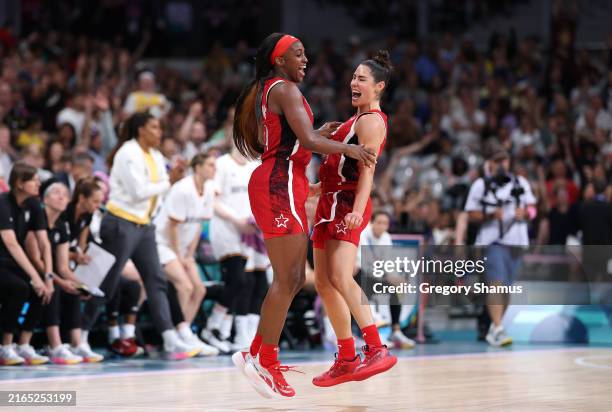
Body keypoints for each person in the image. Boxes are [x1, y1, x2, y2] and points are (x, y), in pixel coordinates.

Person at [231, 33, 376, 398]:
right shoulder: (284, 89)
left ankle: (254, 354)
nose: (305, 59)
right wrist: (350, 150)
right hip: (279, 181)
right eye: (298, 54)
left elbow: (300, 139)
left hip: (285, 180)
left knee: (292, 279)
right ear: (279, 60)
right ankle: (265, 361)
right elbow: (308, 144)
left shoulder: (273, 88)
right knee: (289, 278)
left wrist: (316, 135)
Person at [80, 112, 200, 360]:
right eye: (154, 127)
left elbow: (161, 189)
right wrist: (170, 180)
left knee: (156, 281)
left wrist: (175, 176)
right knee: (107, 283)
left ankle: (170, 339)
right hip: (120, 224)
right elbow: (138, 192)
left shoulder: (156, 156)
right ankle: (79, 336)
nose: (159, 132)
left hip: (144, 227)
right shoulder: (127, 153)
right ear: (140, 130)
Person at [310, 51, 398, 387]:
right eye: (353, 77)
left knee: (340, 275)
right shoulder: (353, 119)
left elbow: (367, 173)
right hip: (330, 201)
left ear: (379, 88)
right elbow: (339, 167)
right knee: (323, 281)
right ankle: (347, 357)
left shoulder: (371, 121)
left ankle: (376, 347)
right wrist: (319, 187)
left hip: (348, 203)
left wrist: (358, 210)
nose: (354, 83)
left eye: (362, 79)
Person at [464, 141, 537, 347]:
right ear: (491, 163)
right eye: (497, 160)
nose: (502, 164)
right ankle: (497, 327)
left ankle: (495, 328)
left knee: (506, 289)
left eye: (504, 159)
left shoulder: (520, 182)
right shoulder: (481, 185)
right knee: (495, 284)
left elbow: (533, 208)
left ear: (509, 161)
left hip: (517, 242)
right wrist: (490, 215)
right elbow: (471, 214)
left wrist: (527, 214)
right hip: (492, 242)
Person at [24, 181, 102, 364]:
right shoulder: (37, 220)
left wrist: (83, 285)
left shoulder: (61, 226)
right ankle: (55, 346)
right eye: (56, 193)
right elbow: (36, 260)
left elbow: (63, 266)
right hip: (31, 270)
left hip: (51, 272)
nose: (61, 197)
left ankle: (77, 343)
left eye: (64, 194)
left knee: (74, 288)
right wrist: (58, 281)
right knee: (55, 289)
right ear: (45, 199)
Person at [154, 152, 220, 356]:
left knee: (199, 290)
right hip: (162, 244)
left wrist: (189, 255)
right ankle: (173, 337)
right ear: (197, 167)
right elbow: (172, 226)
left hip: (182, 249)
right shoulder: (182, 189)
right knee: (185, 287)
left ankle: (185, 335)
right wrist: (179, 256)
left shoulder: (209, 189)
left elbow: (199, 224)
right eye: (209, 164)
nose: (213, 168)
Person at [203, 144, 260, 353]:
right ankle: (212, 327)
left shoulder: (253, 166)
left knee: (241, 282)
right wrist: (236, 220)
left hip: (247, 231)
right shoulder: (221, 164)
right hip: (226, 228)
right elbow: (214, 202)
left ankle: (219, 330)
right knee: (237, 279)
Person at [0, 162, 53, 365]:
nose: (39, 183)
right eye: (34, 180)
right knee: (20, 287)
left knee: (44, 290)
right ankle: (5, 346)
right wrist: (35, 277)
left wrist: (47, 276)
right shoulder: (3, 203)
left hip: (14, 264)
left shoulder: (34, 204)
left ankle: (24, 345)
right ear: (20, 183)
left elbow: (45, 243)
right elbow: (11, 244)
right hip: (3, 261)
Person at [355, 211, 415, 349]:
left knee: (399, 286)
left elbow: (387, 263)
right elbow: (358, 262)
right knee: (359, 279)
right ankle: (365, 333)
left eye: (385, 223)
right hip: (361, 276)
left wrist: (393, 278)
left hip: (376, 276)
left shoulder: (386, 238)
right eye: (379, 222)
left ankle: (396, 330)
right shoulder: (362, 234)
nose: (382, 226)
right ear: (372, 223)